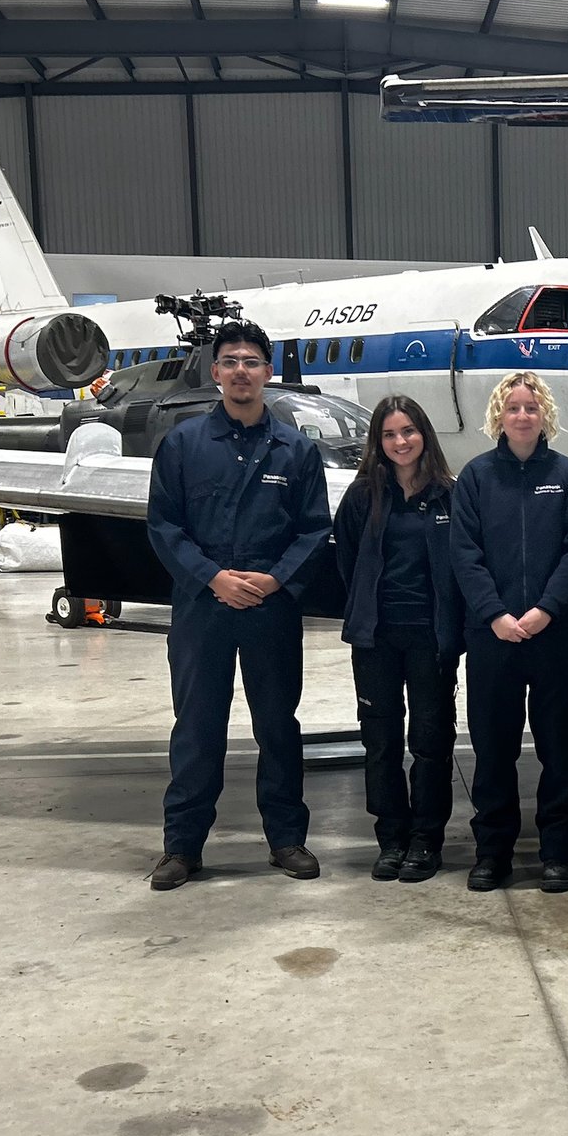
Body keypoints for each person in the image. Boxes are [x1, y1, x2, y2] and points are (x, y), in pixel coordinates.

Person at [143, 320, 332, 890]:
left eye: (252, 361)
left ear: (268, 372)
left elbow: (314, 530)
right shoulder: (183, 444)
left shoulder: (297, 452)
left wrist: (274, 582)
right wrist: (213, 578)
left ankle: (287, 839)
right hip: (204, 610)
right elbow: (164, 526)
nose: (242, 371)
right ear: (216, 372)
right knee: (198, 727)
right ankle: (182, 847)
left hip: (270, 611)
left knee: (278, 726)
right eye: (231, 361)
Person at [450, 370, 568, 893]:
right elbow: (464, 554)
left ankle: (558, 852)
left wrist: (546, 611)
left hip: (553, 636)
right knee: (493, 751)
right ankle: (493, 853)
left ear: (545, 415)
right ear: (498, 415)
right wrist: (495, 614)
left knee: (561, 749)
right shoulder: (475, 478)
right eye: (512, 407)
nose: (522, 415)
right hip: (493, 637)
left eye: (531, 408)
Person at [332, 396, 462, 883]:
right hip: (376, 639)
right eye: (389, 434)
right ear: (378, 442)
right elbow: (346, 561)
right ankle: (391, 838)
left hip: (430, 639)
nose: (400, 441)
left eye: (408, 431)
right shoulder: (363, 495)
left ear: (423, 434)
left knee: (431, 741)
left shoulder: (449, 495)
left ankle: (427, 840)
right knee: (380, 742)